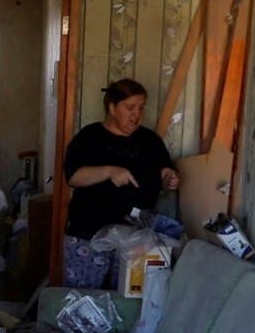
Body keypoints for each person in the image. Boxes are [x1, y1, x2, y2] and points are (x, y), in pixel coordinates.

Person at [61, 78, 179, 287]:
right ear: (112, 107)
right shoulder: (90, 137)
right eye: (130, 107)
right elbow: (73, 176)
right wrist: (109, 171)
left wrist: (169, 176)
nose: (136, 114)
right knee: (82, 298)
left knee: (130, 300)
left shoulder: (149, 140)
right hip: (89, 234)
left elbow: (164, 168)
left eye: (141, 108)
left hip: (135, 238)